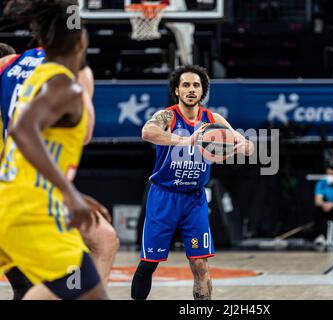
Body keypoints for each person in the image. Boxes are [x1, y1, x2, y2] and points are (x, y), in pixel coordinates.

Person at [0, 0, 110, 300]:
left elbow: (19, 142)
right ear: (82, 41)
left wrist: (69, 191)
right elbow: (24, 132)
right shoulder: (67, 86)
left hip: (10, 200)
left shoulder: (33, 79)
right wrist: (68, 191)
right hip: (31, 212)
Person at [131, 65, 254, 300]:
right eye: (185, 85)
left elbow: (249, 146)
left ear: (202, 91)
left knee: (200, 264)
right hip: (164, 196)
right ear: (176, 90)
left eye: (196, 85)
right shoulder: (167, 116)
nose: (191, 89)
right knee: (149, 264)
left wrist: (235, 148)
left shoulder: (213, 119)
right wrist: (187, 140)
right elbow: (147, 132)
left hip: (194, 199)